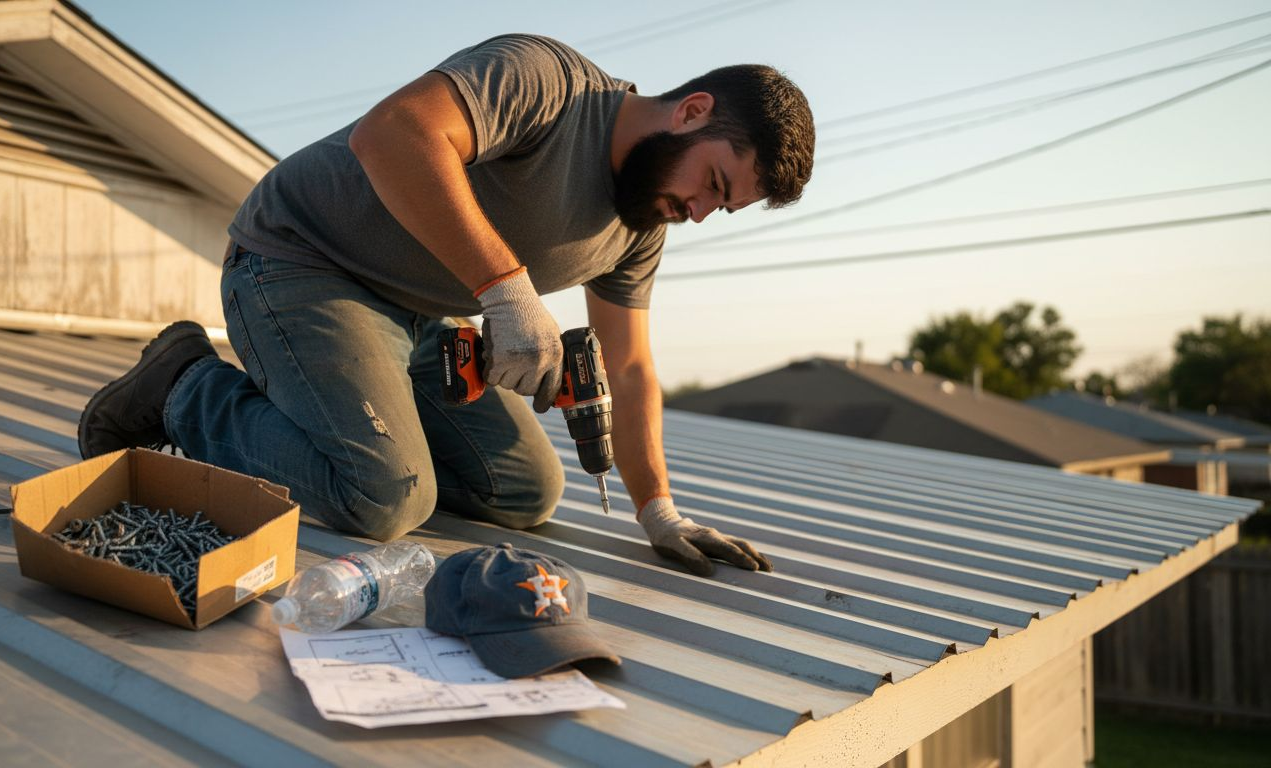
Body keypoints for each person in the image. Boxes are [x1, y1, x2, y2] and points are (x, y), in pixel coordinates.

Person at [79, 34, 813, 577]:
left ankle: (362, 414)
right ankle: (184, 386)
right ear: (692, 111)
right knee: (384, 498)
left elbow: (631, 370)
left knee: (527, 490)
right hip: (302, 264)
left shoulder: (640, 223)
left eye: (725, 208)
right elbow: (394, 133)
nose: (700, 211)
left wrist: (659, 511)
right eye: (715, 184)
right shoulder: (549, 82)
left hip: (420, 319)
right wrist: (507, 290)